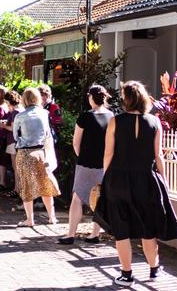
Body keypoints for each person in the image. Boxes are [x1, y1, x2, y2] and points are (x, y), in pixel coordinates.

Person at [93, 81, 177, 287]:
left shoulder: (115, 121)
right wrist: (164, 180)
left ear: (126, 99)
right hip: (147, 179)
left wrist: (107, 178)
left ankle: (126, 274)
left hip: (118, 179)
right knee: (148, 226)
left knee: (121, 228)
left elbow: (108, 153)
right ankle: (154, 270)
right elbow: (158, 155)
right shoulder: (154, 122)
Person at [58, 85, 113, 245]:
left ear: (90, 98)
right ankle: (94, 234)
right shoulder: (111, 116)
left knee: (78, 197)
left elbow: (76, 143)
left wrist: (82, 156)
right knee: (100, 198)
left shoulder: (85, 117)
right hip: (104, 164)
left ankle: (70, 234)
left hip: (85, 163)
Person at [12, 88, 60, 227]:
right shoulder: (45, 113)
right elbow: (47, 134)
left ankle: (30, 219)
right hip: (40, 152)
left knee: (26, 186)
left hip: (25, 153)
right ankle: (52, 217)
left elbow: (16, 136)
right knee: (45, 185)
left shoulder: (20, 116)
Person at [0, 90, 23, 198]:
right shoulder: (21, 109)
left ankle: (17, 189)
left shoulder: (15, 112)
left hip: (13, 142)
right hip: (19, 141)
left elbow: (13, 128)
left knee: (16, 167)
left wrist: (4, 126)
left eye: (6, 102)